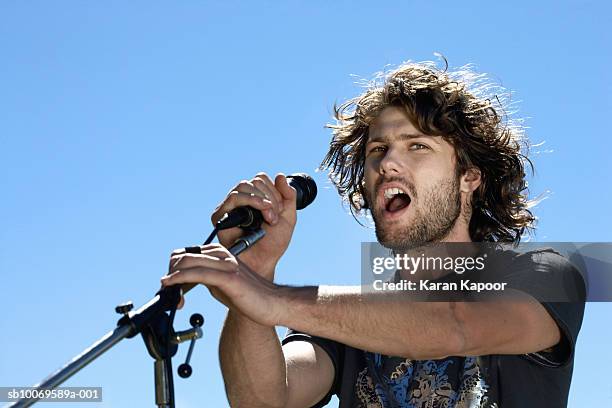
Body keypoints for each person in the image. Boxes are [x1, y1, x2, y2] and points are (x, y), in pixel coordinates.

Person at [161, 60, 585, 407]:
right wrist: (255, 277)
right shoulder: (346, 320)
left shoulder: (547, 273)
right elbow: (264, 401)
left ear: (468, 177)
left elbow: (456, 326)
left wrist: (270, 298)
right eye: (377, 151)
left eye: (417, 146)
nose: (388, 164)